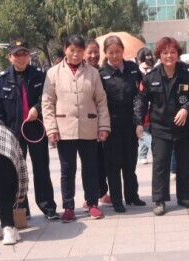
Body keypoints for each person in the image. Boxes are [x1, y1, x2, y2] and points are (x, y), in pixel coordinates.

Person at [42, 34, 111, 222]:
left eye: (79, 51)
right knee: (67, 170)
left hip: (89, 127)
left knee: (90, 168)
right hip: (64, 129)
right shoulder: (53, 73)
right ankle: (68, 207)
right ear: (65, 50)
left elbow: (101, 101)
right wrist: (51, 129)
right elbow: (47, 102)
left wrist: (104, 126)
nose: (75, 54)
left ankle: (92, 203)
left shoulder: (93, 73)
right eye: (72, 50)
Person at [134, 36, 189, 216]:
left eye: (172, 52)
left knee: (185, 163)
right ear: (159, 55)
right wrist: (139, 122)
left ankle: (184, 196)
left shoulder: (188, 72)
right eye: (165, 53)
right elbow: (141, 100)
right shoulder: (151, 76)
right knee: (160, 164)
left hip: (185, 127)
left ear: (178, 54)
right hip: (160, 128)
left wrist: (187, 108)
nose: (169, 56)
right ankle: (159, 200)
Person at [0, 39, 59, 220]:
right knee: (15, 172)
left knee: (42, 169)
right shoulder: (1, 80)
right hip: (13, 132)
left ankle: (48, 207)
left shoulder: (39, 75)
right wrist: (2, 133)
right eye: (17, 55)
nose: (21, 58)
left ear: (29, 55)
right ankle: (21, 209)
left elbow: (48, 98)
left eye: (24, 54)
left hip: (36, 129)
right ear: (10, 57)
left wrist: (37, 108)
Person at [99, 35, 146, 211]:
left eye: (118, 52)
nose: (115, 56)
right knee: (113, 164)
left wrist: (139, 120)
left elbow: (141, 93)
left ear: (123, 51)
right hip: (111, 123)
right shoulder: (101, 74)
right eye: (111, 52)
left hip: (130, 122)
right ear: (105, 53)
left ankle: (132, 196)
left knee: (130, 162)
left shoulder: (133, 69)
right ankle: (117, 200)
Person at [82, 38, 111, 208]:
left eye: (96, 52)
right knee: (89, 163)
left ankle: (102, 192)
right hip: (86, 125)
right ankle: (90, 197)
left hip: (104, 122)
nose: (93, 55)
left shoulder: (103, 71)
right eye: (90, 52)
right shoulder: (81, 74)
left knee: (103, 160)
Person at [136, 47, 155, 165]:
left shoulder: (154, 71)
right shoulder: (136, 73)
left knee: (147, 130)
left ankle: (142, 154)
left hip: (152, 106)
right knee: (146, 131)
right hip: (141, 107)